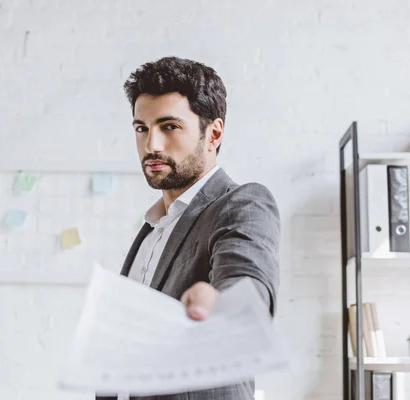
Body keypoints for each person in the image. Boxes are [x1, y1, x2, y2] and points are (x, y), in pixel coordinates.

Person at [96, 56, 280, 400]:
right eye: (142, 128)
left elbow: (248, 281)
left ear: (213, 133)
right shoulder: (152, 228)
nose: (152, 145)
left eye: (169, 126)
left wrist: (223, 302)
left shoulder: (241, 203)